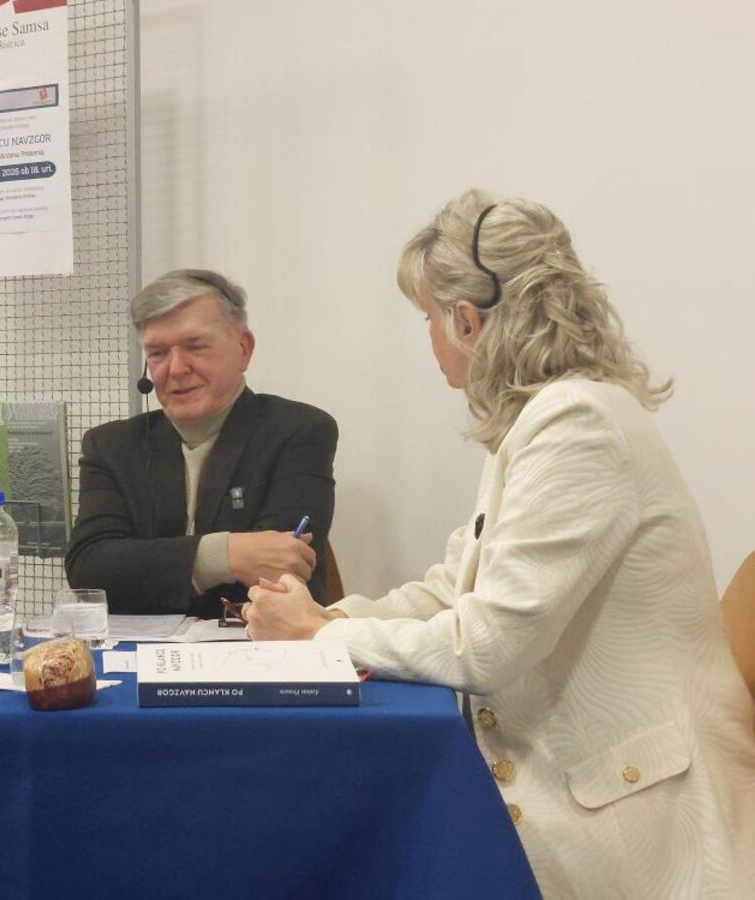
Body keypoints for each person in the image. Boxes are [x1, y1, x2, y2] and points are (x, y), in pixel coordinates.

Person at [246, 190, 755, 897]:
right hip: (590, 790)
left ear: (466, 321)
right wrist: (329, 617)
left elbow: (486, 646)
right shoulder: (546, 416)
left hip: (639, 828)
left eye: (427, 318)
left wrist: (323, 635)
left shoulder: (575, 423)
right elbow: (455, 587)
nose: (429, 335)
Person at [65, 269, 337, 618]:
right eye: (158, 353)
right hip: (140, 649)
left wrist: (149, 571)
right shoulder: (111, 446)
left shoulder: (299, 431)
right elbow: (89, 570)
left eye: (195, 347)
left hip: (260, 641)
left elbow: (281, 568)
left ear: (243, 349)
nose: (176, 369)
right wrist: (228, 554)